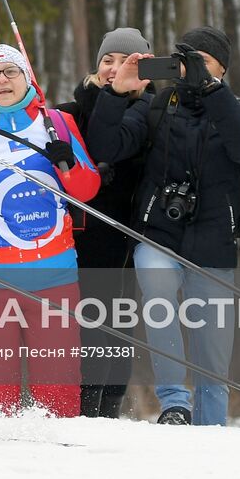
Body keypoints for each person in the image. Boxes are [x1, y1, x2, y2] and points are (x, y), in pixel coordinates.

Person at [90, 26, 240, 425]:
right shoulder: (156, 107)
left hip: (215, 240)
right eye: (188, 63)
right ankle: (173, 403)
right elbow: (106, 147)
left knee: (213, 358)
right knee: (156, 283)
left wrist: (214, 94)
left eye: (203, 63)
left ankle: (211, 434)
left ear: (223, 68)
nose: (194, 72)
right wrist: (116, 93)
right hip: (158, 232)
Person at [0, 44, 101, 417]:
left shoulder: (56, 124)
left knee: (58, 396)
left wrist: (68, 165)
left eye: (11, 71)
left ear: (27, 78)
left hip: (54, 274)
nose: (2, 80)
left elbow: (88, 191)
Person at [57, 26, 151, 418]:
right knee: (85, 327)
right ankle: (83, 408)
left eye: (125, 62)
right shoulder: (72, 110)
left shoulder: (152, 109)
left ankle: (108, 410)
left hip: (129, 237)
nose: (115, 69)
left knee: (120, 330)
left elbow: (112, 144)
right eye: (107, 61)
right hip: (81, 237)